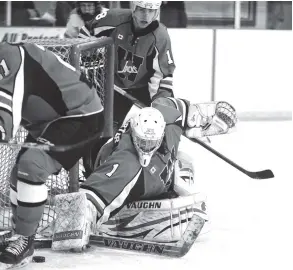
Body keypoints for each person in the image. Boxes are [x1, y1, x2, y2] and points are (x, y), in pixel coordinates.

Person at [0, 33, 105, 267]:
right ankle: (18, 232)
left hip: (81, 116)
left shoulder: (5, 55)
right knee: (17, 172)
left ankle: (25, 241)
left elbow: (4, 117)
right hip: (52, 121)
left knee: (32, 165)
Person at [51, 97, 237, 250]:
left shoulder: (169, 123)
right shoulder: (127, 164)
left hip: (152, 177)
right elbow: (93, 194)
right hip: (98, 158)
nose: (146, 149)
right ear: (133, 133)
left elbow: (179, 107)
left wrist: (209, 119)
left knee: (184, 160)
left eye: (151, 143)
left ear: (163, 132)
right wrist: (73, 229)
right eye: (142, 142)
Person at [79, 1, 175, 129]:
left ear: (157, 12)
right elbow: (85, 32)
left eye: (151, 10)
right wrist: (89, 55)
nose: (146, 16)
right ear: (134, 8)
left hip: (141, 91)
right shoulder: (113, 18)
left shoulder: (160, 37)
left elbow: (162, 77)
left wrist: (159, 107)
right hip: (109, 87)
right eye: (141, 9)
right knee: (101, 131)